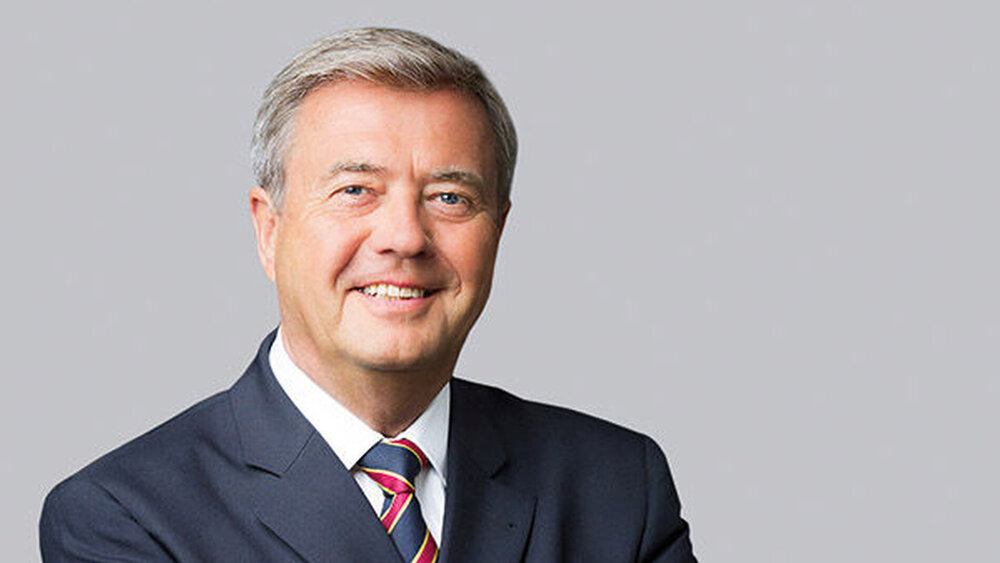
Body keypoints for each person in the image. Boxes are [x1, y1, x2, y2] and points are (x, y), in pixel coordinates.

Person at [39, 27, 697, 562]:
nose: (405, 237)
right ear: (269, 229)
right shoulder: (125, 517)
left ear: (498, 229)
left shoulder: (617, 487)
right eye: (356, 190)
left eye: (450, 197)